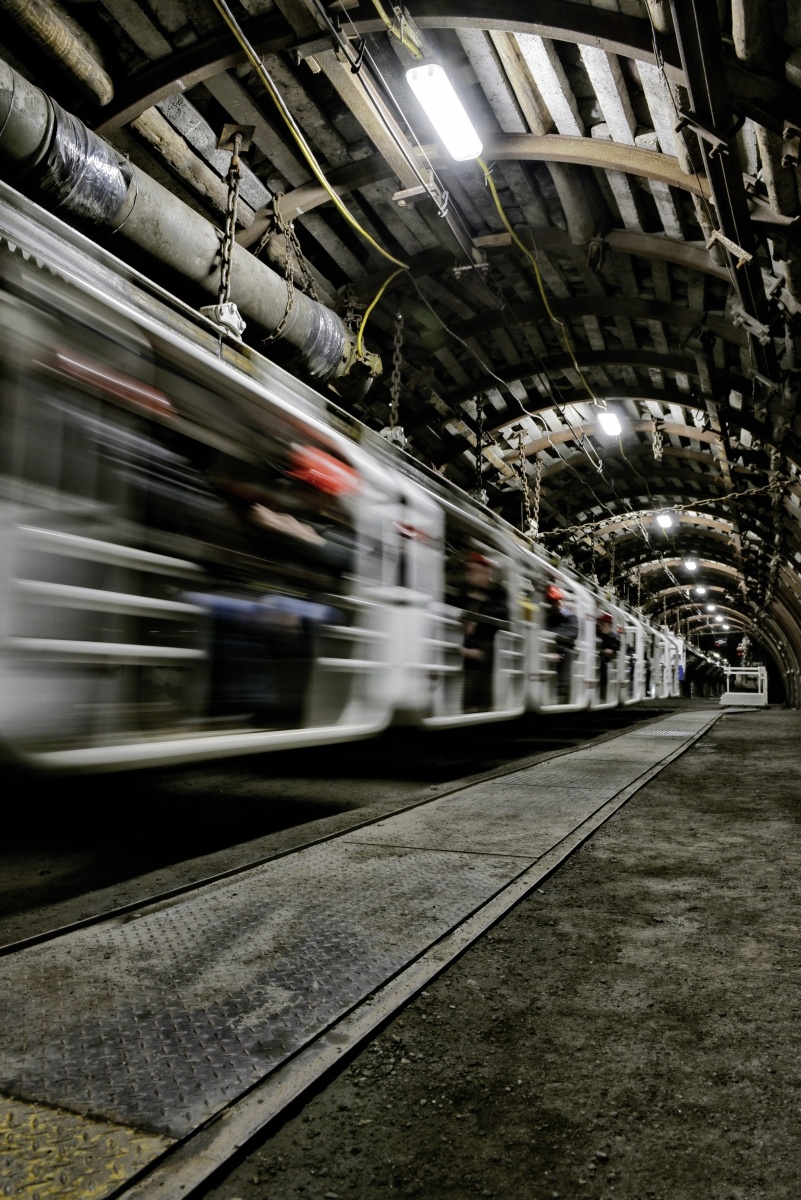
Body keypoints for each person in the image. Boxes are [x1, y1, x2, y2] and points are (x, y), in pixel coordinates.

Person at [453, 552, 508, 712]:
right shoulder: (463, 592)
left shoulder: (497, 593)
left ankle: (479, 702)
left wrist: (480, 608)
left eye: (479, 572)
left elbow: (503, 613)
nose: (475, 576)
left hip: (486, 640)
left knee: (487, 650)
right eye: (471, 572)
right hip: (463, 639)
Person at [544, 585, 578, 703]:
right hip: (545, 646)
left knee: (566, 653)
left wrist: (552, 636)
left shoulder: (569, 617)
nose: (557, 604)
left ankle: (562, 691)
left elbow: (572, 633)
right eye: (553, 602)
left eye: (558, 601)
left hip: (562, 648)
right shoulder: (545, 616)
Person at [597, 612, 621, 702]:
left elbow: (618, 646)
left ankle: (603, 694)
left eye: (603, 624)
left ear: (610, 626)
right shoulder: (598, 634)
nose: (601, 626)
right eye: (600, 624)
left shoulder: (614, 637)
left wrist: (612, 651)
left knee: (604, 665)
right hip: (599, 657)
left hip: (606, 660)